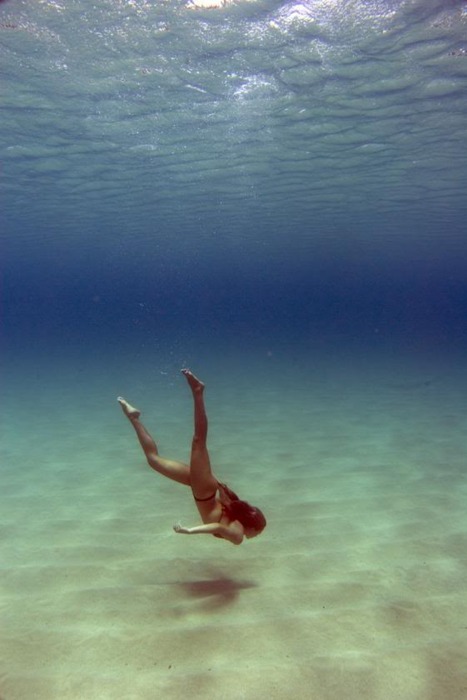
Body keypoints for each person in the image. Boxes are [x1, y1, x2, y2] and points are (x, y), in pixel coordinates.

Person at [117, 369, 266, 545]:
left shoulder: (235, 515)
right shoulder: (238, 535)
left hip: (201, 487)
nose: (256, 536)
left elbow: (222, 510)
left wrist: (214, 481)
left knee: (153, 460)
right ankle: (198, 391)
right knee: (198, 441)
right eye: (258, 533)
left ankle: (133, 417)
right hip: (203, 490)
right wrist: (189, 531)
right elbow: (218, 527)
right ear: (253, 526)